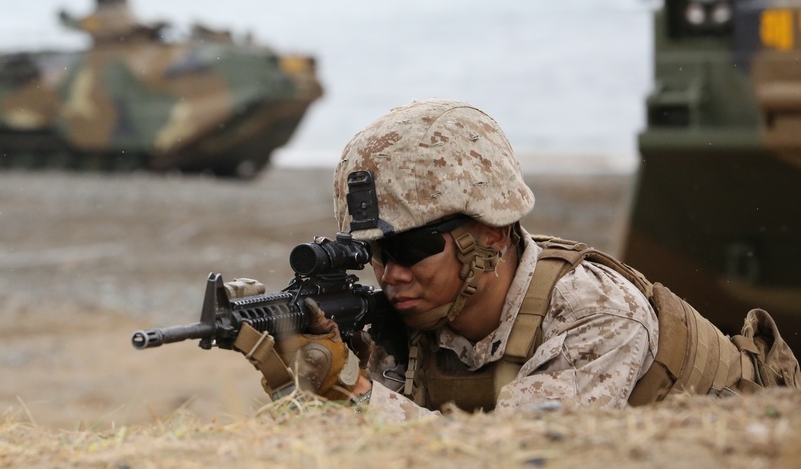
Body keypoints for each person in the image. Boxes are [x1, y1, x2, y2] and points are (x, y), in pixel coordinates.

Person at [237, 99, 800, 419]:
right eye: (373, 253)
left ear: (491, 232)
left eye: (411, 246)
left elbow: (514, 455)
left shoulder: (596, 315)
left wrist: (357, 392)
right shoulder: (406, 319)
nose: (391, 274)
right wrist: (297, 378)